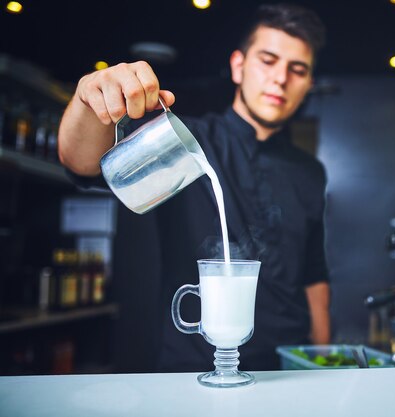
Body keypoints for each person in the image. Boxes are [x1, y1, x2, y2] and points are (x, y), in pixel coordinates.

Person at [58, 3, 331, 371]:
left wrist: (325, 361)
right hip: (195, 366)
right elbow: (81, 162)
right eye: (268, 60)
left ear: (308, 84)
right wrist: (87, 97)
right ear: (239, 66)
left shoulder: (310, 172)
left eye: (297, 70)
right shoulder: (189, 141)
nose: (280, 78)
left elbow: (314, 278)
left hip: (289, 364)